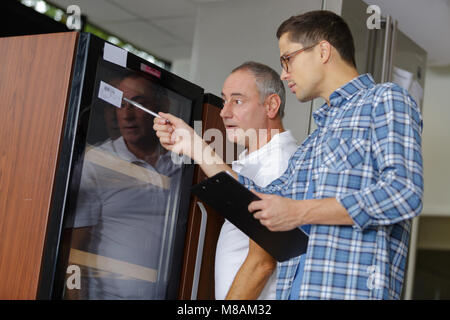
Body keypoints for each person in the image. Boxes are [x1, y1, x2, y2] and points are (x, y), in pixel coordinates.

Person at [154, 10, 423, 300]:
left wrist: (299, 212)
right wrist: (193, 145)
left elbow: (403, 192)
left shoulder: (385, 99)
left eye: (288, 58)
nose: (283, 72)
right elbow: (258, 203)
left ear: (322, 50)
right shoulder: (312, 144)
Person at [69, 72, 181, 299]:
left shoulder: (181, 161)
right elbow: (73, 250)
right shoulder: (96, 162)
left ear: (162, 107)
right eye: (121, 105)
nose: (127, 115)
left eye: (138, 104)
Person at [215, 62, 298, 299]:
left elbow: (262, 264)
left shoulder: (279, 163)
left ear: (271, 105)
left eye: (237, 101)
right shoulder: (252, 161)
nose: (224, 112)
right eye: (224, 100)